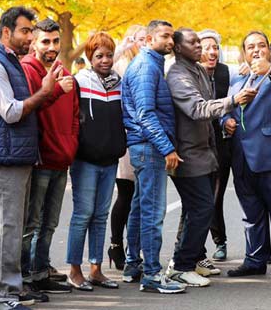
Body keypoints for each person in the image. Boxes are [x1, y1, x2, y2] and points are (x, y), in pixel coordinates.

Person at [0, 6, 61, 310]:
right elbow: (10, 112)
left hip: (15, 156)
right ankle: (0, 295)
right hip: (4, 158)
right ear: (6, 32)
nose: (30, 37)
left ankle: (6, 288)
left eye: (31, 31)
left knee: (10, 226)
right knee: (5, 227)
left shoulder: (11, 63)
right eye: (25, 31)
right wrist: (46, 91)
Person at [165, 28, 256, 287]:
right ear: (178, 48)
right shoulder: (177, 74)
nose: (201, 47)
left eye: (202, 43)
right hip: (187, 153)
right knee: (202, 207)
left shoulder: (198, 70)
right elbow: (197, 108)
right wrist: (233, 101)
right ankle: (181, 266)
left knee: (199, 209)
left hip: (205, 151)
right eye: (193, 43)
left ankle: (190, 260)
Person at [223, 30, 271, 283]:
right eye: (250, 47)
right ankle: (255, 260)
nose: (256, 51)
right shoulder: (237, 80)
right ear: (244, 53)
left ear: (270, 50)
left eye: (261, 46)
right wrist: (226, 121)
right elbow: (227, 107)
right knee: (252, 214)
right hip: (242, 157)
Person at [121, 20, 186, 294]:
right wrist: (167, 148)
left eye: (172, 36)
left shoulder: (150, 64)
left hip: (145, 147)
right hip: (149, 147)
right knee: (152, 212)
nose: (170, 41)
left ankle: (133, 264)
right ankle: (152, 275)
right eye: (164, 36)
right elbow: (146, 114)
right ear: (148, 40)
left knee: (139, 207)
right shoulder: (146, 67)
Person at [20, 18, 78, 294]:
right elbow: (31, 108)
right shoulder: (26, 71)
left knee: (50, 223)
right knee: (31, 223)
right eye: (45, 41)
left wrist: (72, 143)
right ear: (33, 42)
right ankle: (24, 277)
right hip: (40, 159)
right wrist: (55, 89)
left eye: (56, 41)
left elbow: (74, 116)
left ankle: (41, 272)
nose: (52, 46)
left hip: (61, 158)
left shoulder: (63, 72)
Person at [66, 32, 127, 291]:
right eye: (99, 55)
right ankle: (74, 269)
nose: (105, 60)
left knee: (101, 216)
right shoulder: (79, 82)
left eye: (109, 55)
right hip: (85, 160)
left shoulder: (118, 83)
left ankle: (96, 269)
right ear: (90, 57)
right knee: (83, 215)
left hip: (110, 160)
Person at [109, 24, 147, 270]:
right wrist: (122, 48)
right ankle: (116, 245)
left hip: (144, 137)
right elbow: (103, 65)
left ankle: (134, 249)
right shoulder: (122, 65)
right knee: (126, 194)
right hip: (125, 136)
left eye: (147, 38)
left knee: (139, 198)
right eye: (139, 39)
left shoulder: (150, 64)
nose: (143, 43)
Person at [198, 29, 232, 262]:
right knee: (201, 196)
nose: (212, 52)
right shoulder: (191, 73)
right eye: (206, 47)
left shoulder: (225, 72)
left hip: (221, 142)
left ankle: (220, 242)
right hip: (197, 141)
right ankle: (196, 248)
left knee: (216, 194)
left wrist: (226, 119)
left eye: (215, 47)